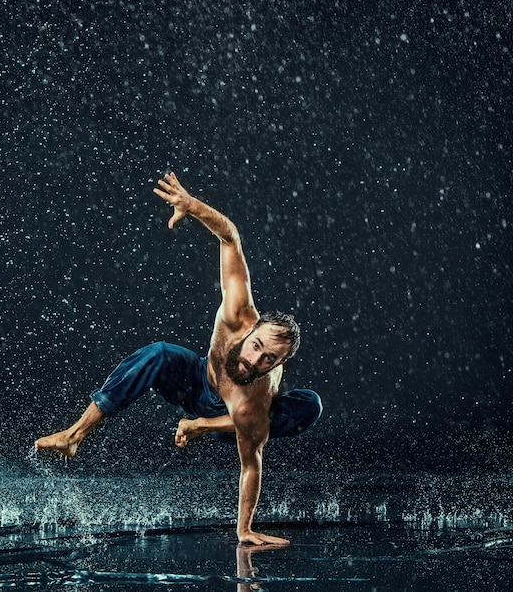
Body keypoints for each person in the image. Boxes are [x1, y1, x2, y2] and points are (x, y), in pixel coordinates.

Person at [35, 171, 322, 545]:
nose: (255, 361)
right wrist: (191, 205)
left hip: (238, 411)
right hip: (198, 380)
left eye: (269, 360)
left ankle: (204, 424)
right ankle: (73, 436)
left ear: (279, 365)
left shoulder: (255, 396)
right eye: (256, 347)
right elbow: (230, 237)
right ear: (249, 328)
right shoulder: (238, 311)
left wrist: (244, 530)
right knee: (159, 353)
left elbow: (250, 466)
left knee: (305, 406)